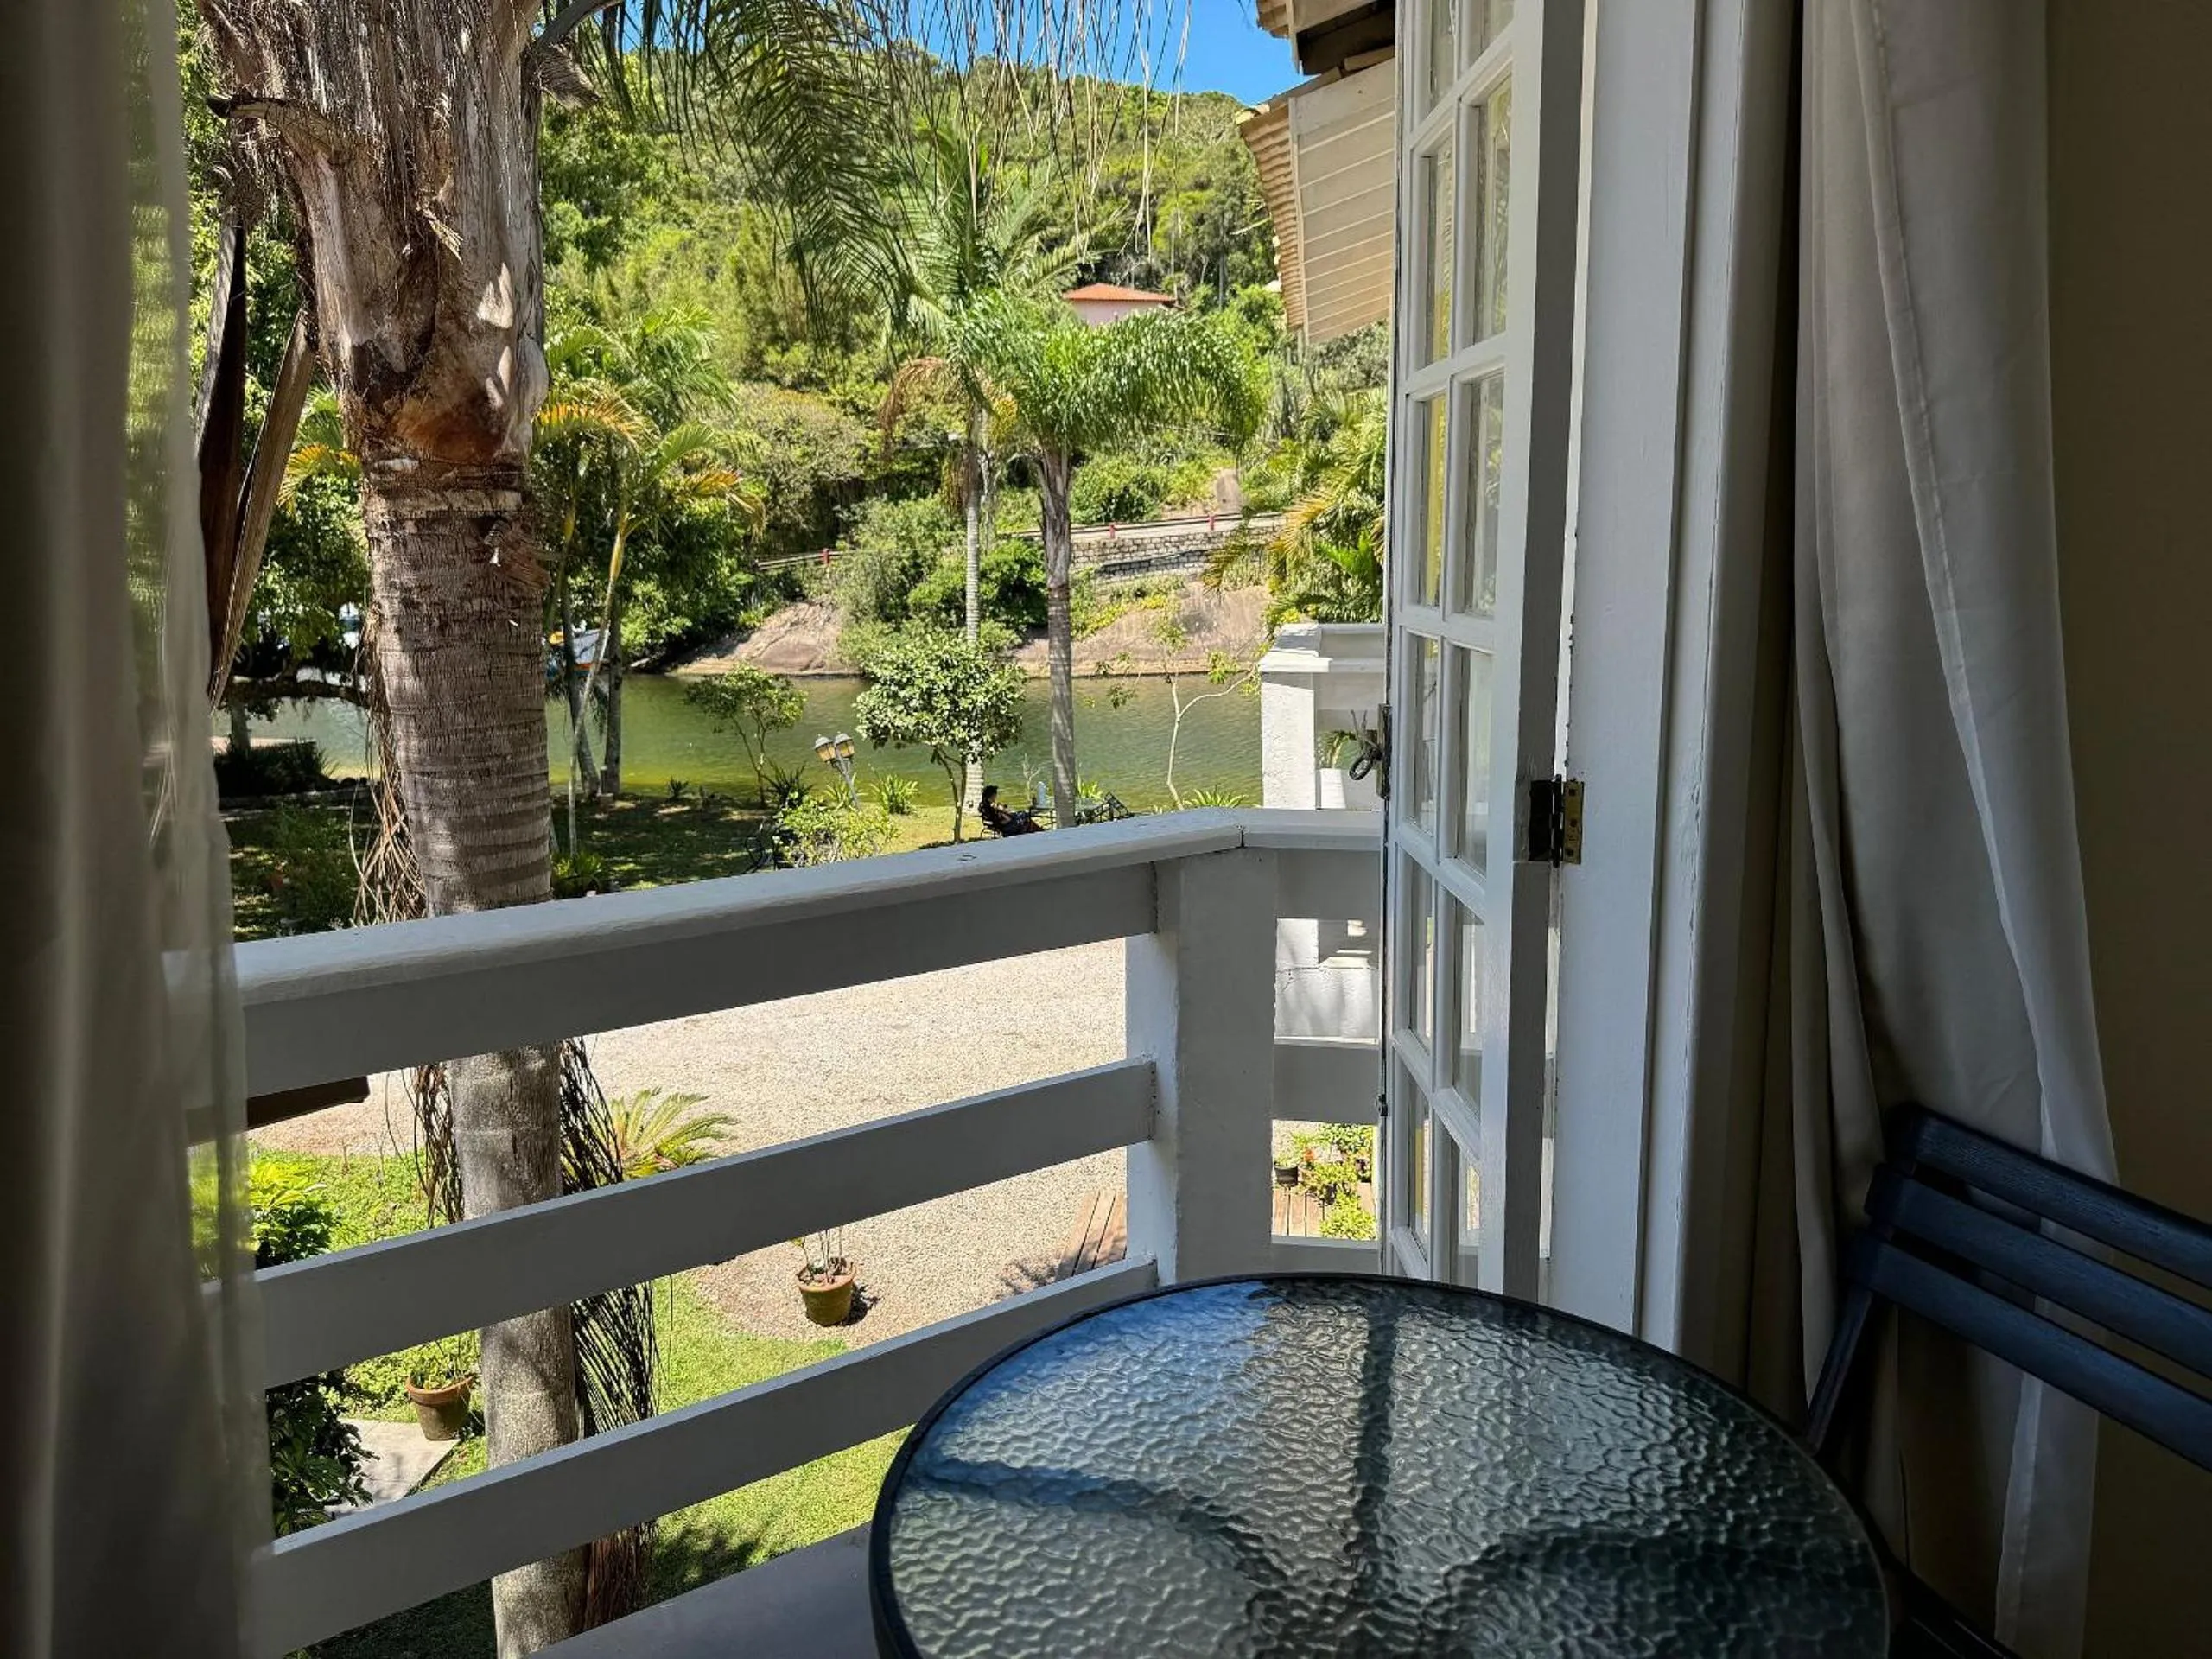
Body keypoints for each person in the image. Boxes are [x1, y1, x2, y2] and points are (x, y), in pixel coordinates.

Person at [979, 784, 1043, 836]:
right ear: (992, 795)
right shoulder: (996, 806)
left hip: (1000, 826)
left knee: (1023, 815)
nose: (996, 796)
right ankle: (1041, 832)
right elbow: (1009, 817)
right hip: (1007, 828)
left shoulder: (984, 806)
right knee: (1025, 819)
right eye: (995, 794)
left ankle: (1039, 831)